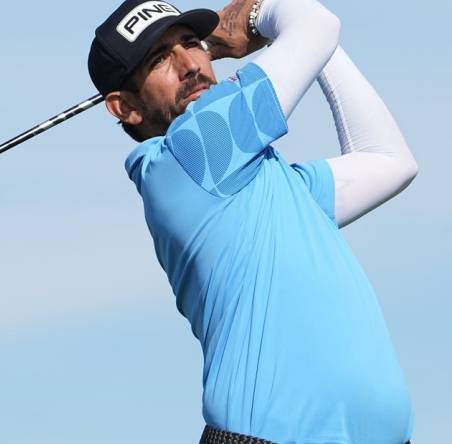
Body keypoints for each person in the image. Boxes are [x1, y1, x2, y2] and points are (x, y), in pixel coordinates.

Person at [87, 0, 418, 443]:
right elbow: (316, 23)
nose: (190, 65)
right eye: (159, 60)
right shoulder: (188, 155)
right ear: (124, 107)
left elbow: (390, 161)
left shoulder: (259, 181)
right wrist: (259, 14)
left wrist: (319, 47)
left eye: (192, 43)